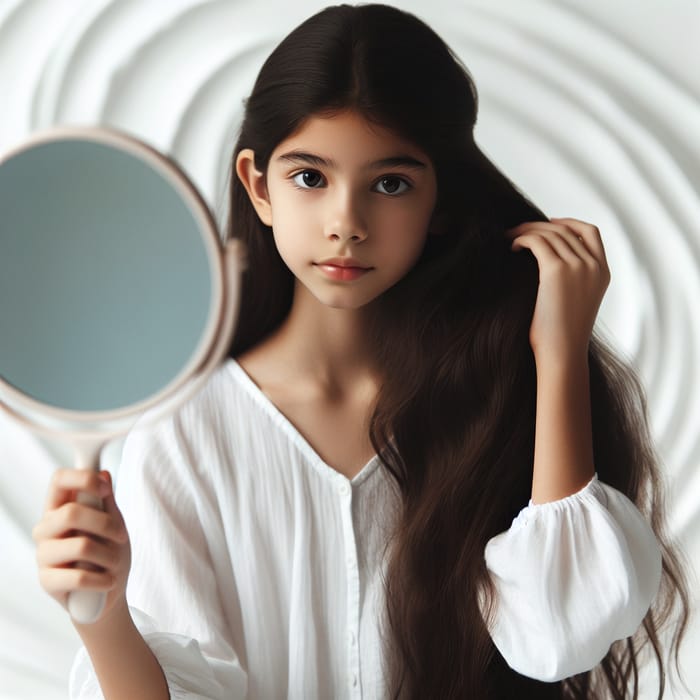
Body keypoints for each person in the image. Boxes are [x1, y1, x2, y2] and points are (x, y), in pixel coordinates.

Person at [32, 4, 691, 699]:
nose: (346, 223)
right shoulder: (185, 431)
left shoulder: (494, 399)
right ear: (259, 186)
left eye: (391, 184)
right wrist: (104, 621)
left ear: (439, 201)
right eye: (310, 178)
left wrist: (555, 354)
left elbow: (563, 632)